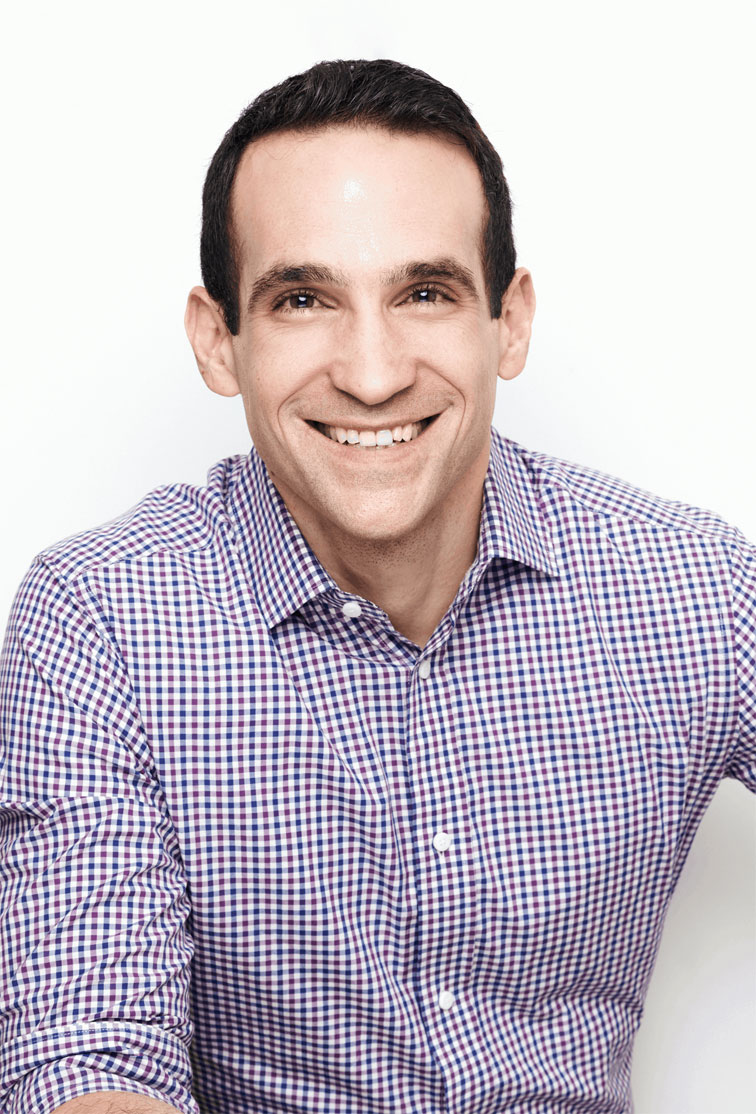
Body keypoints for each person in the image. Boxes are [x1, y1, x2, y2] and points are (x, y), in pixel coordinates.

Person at [0, 57, 753, 1114]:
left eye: (426, 293)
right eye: (304, 298)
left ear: (510, 321)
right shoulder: (103, 620)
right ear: (221, 339)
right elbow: (88, 1062)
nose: (371, 370)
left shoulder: (690, 589)